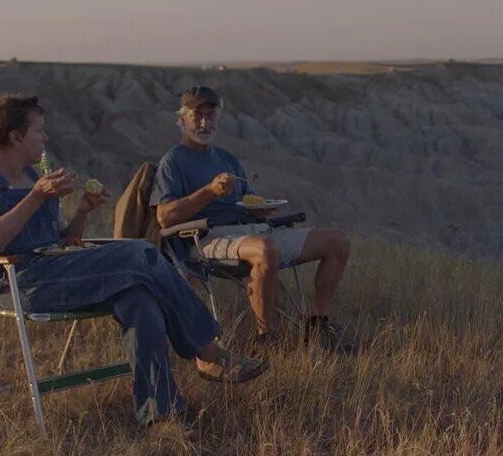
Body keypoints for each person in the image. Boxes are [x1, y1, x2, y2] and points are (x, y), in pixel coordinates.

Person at [0, 93, 266, 428]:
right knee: (140, 251)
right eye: (39, 130)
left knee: (140, 299)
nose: (46, 138)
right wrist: (36, 197)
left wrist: (83, 211)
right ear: (16, 137)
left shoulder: (33, 177)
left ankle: (160, 416)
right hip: (20, 281)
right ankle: (208, 351)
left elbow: (64, 240)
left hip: (59, 270)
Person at [151, 86, 354, 352]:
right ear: (182, 119)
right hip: (208, 238)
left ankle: (317, 327)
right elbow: (164, 217)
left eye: (210, 115)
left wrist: (261, 208)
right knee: (265, 248)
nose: (204, 123)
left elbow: (247, 199)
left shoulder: (226, 158)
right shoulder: (173, 161)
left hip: (253, 230)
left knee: (338, 241)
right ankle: (266, 339)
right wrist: (209, 192)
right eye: (197, 115)